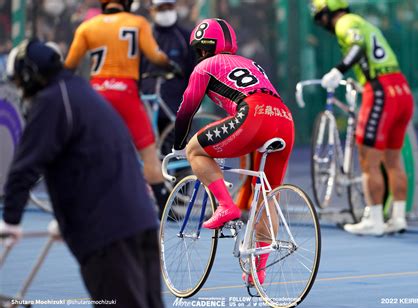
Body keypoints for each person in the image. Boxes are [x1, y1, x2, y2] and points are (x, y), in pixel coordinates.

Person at [0, 39, 164, 308]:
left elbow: (25, 166)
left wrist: (11, 220)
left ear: (29, 76)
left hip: (107, 234)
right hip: (141, 221)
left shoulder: (52, 101)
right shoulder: (83, 94)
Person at [172, 18, 295, 284]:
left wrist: (177, 144)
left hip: (253, 116)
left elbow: (186, 110)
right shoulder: (251, 63)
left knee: (196, 149)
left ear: (203, 49)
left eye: (200, 50)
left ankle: (226, 206)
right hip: (284, 119)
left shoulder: (205, 65)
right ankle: (258, 271)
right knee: (267, 195)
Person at [64, 0, 181, 212]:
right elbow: (155, 55)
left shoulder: (87, 26)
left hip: (97, 94)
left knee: (91, 150)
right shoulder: (137, 22)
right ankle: (165, 209)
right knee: (148, 155)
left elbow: (69, 65)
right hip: (126, 92)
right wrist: (171, 66)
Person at [312, 0, 414, 236]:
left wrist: (338, 70)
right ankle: (398, 218)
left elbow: (357, 48)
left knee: (368, 159)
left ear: (327, 12)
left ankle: (375, 220)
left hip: (380, 90)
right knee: (393, 160)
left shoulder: (345, 22)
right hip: (401, 88)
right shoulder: (365, 23)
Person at [141, 0, 196, 139]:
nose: (165, 12)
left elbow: (193, 70)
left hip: (175, 100)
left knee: (172, 142)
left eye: (169, 7)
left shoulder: (184, 36)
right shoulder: (144, 35)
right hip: (147, 97)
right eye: (161, 8)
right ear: (151, 10)